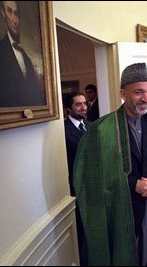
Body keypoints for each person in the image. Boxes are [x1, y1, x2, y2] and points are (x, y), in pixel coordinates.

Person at [72, 63, 147, 266]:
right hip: (122, 214)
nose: (146, 98)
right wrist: (133, 183)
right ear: (123, 93)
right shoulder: (101, 130)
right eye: (139, 92)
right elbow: (91, 178)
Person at [0, 1, 45, 107]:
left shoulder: (26, 57)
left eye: (16, 14)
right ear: (3, 13)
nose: (14, 20)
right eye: (10, 12)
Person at [63, 91, 90, 265]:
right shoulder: (62, 130)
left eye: (85, 103)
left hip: (95, 186)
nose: (83, 107)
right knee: (81, 230)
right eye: (78, 104)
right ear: (68, 109)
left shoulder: (92, 125)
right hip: (76, 188)